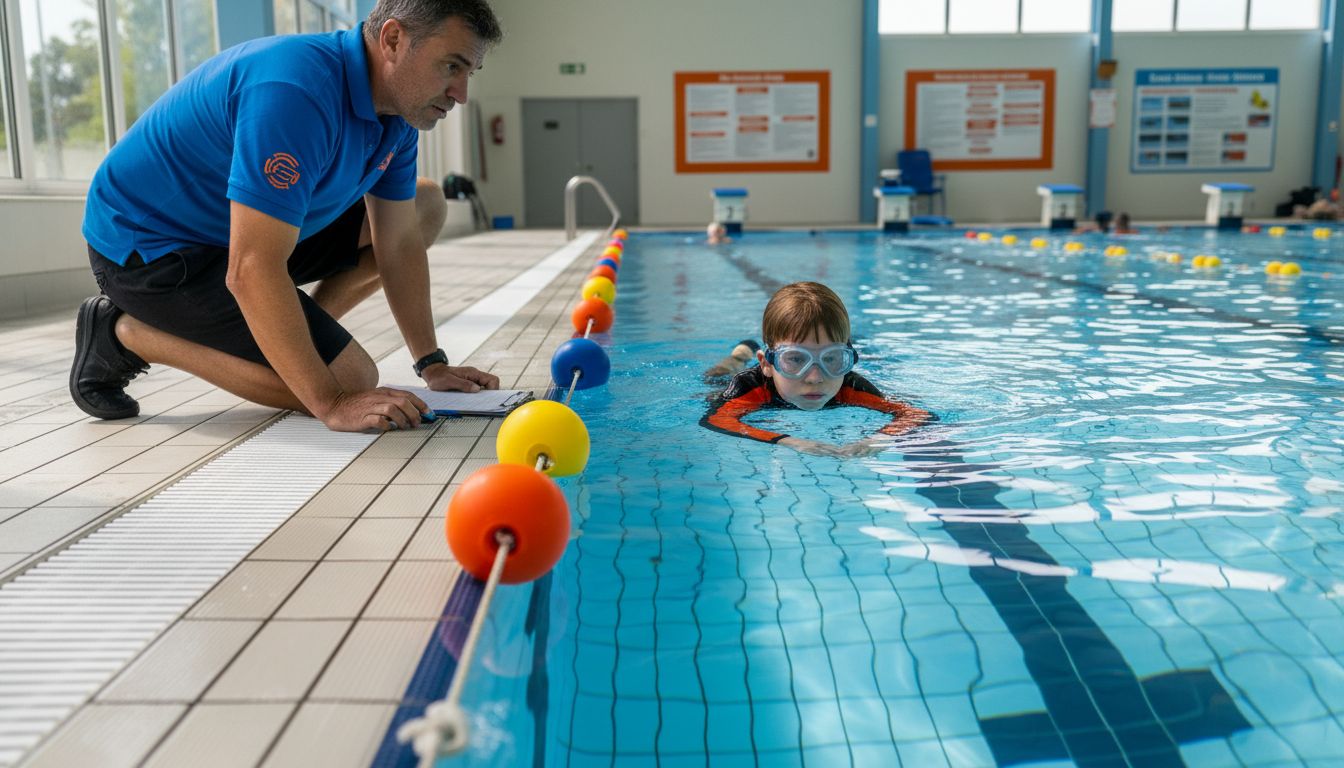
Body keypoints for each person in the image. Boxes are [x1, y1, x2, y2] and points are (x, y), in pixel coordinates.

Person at [70, 0, 504, 433]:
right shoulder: (295, 91)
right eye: (451, 66)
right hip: (150, 250)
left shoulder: (396, 115)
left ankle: (298, 330)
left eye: (470, 74)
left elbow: (400, 242)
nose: (461, 94)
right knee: (351, 379)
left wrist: (432, 364)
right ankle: (124, 334)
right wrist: (332, 402)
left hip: (238, 233)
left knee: (424, 203)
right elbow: (251, 267)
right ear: (393, 39)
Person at [700, 282, 930, 458]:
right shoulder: (749, 388)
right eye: (796, 359)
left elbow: (915, 414)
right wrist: (788, 441)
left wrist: (876, 440)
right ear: (767, 364)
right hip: (732, 378)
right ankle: (741, 353)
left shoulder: (849, 386)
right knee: (718, 375)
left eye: (831, 359)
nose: (815, 377)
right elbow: (718, 420)